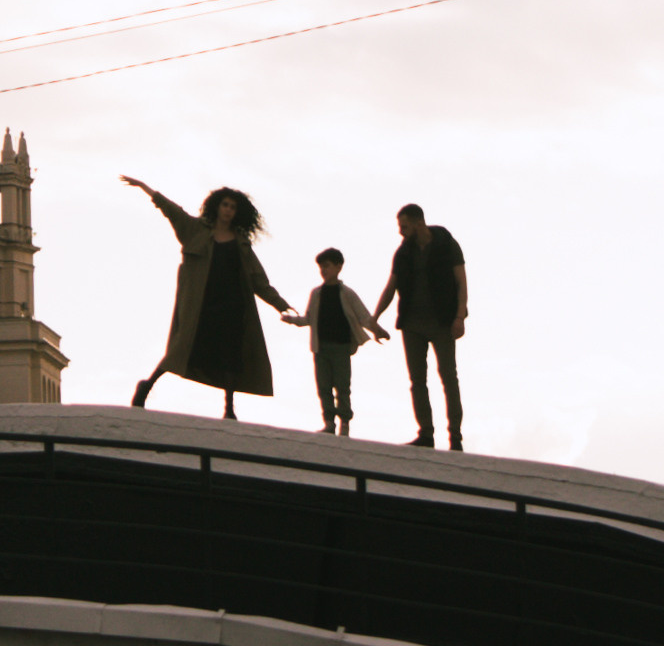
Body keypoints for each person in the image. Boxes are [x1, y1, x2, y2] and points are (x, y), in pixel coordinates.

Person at [121, 176, 300, 421]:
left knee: (230, 356)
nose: (228, 210)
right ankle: (147, 387)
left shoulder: (242, 244)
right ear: (217, 206)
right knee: (180, 348)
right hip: (201, 304)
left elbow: (259, 281)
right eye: (225, 204)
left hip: (232, 306)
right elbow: (172, 211)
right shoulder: (195, 230)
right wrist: (145, 188)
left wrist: (282, 306)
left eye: (233, 207)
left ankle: (228, 408)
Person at [374, 202, 466, 450]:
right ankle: (425, 434)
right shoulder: (403, 252)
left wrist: (459, 317)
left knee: (449, 377)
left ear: (418, 223)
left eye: (404, 226)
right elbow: (390, 287)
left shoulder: (446, 244)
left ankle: (455, 437)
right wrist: (375, 317)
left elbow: (461, 282)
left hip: (442, 321)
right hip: (412, 323)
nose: (400, 231)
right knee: (417, 380)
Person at [296, 247, 383, 435]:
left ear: (338, 267)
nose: (323, 271)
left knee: (342, 386)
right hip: (321, 347)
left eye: (327, 266)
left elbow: (364, 316)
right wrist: (292, 320)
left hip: (342, 347)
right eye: (321, 267)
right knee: (324, 386)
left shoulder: (347, 293)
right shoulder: (316, 293)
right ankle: (329, 422)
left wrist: (378, 330)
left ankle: (344, 422)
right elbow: (308, 318)